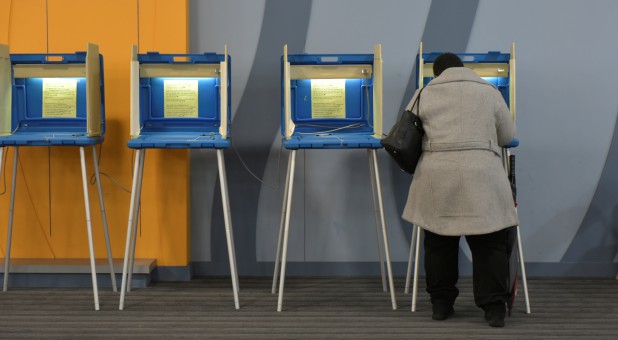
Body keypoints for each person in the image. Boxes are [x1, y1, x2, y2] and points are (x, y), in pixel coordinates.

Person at [402, 53, 518, 327]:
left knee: (439, 243)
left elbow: (408, 134)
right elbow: (506, 135)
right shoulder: (488, 91)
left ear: (438, 72)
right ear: (463, 69)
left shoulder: (424, 93)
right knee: (490, 244)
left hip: (437, 175)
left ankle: (441, 305)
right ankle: (494, 309)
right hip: (482, 174)